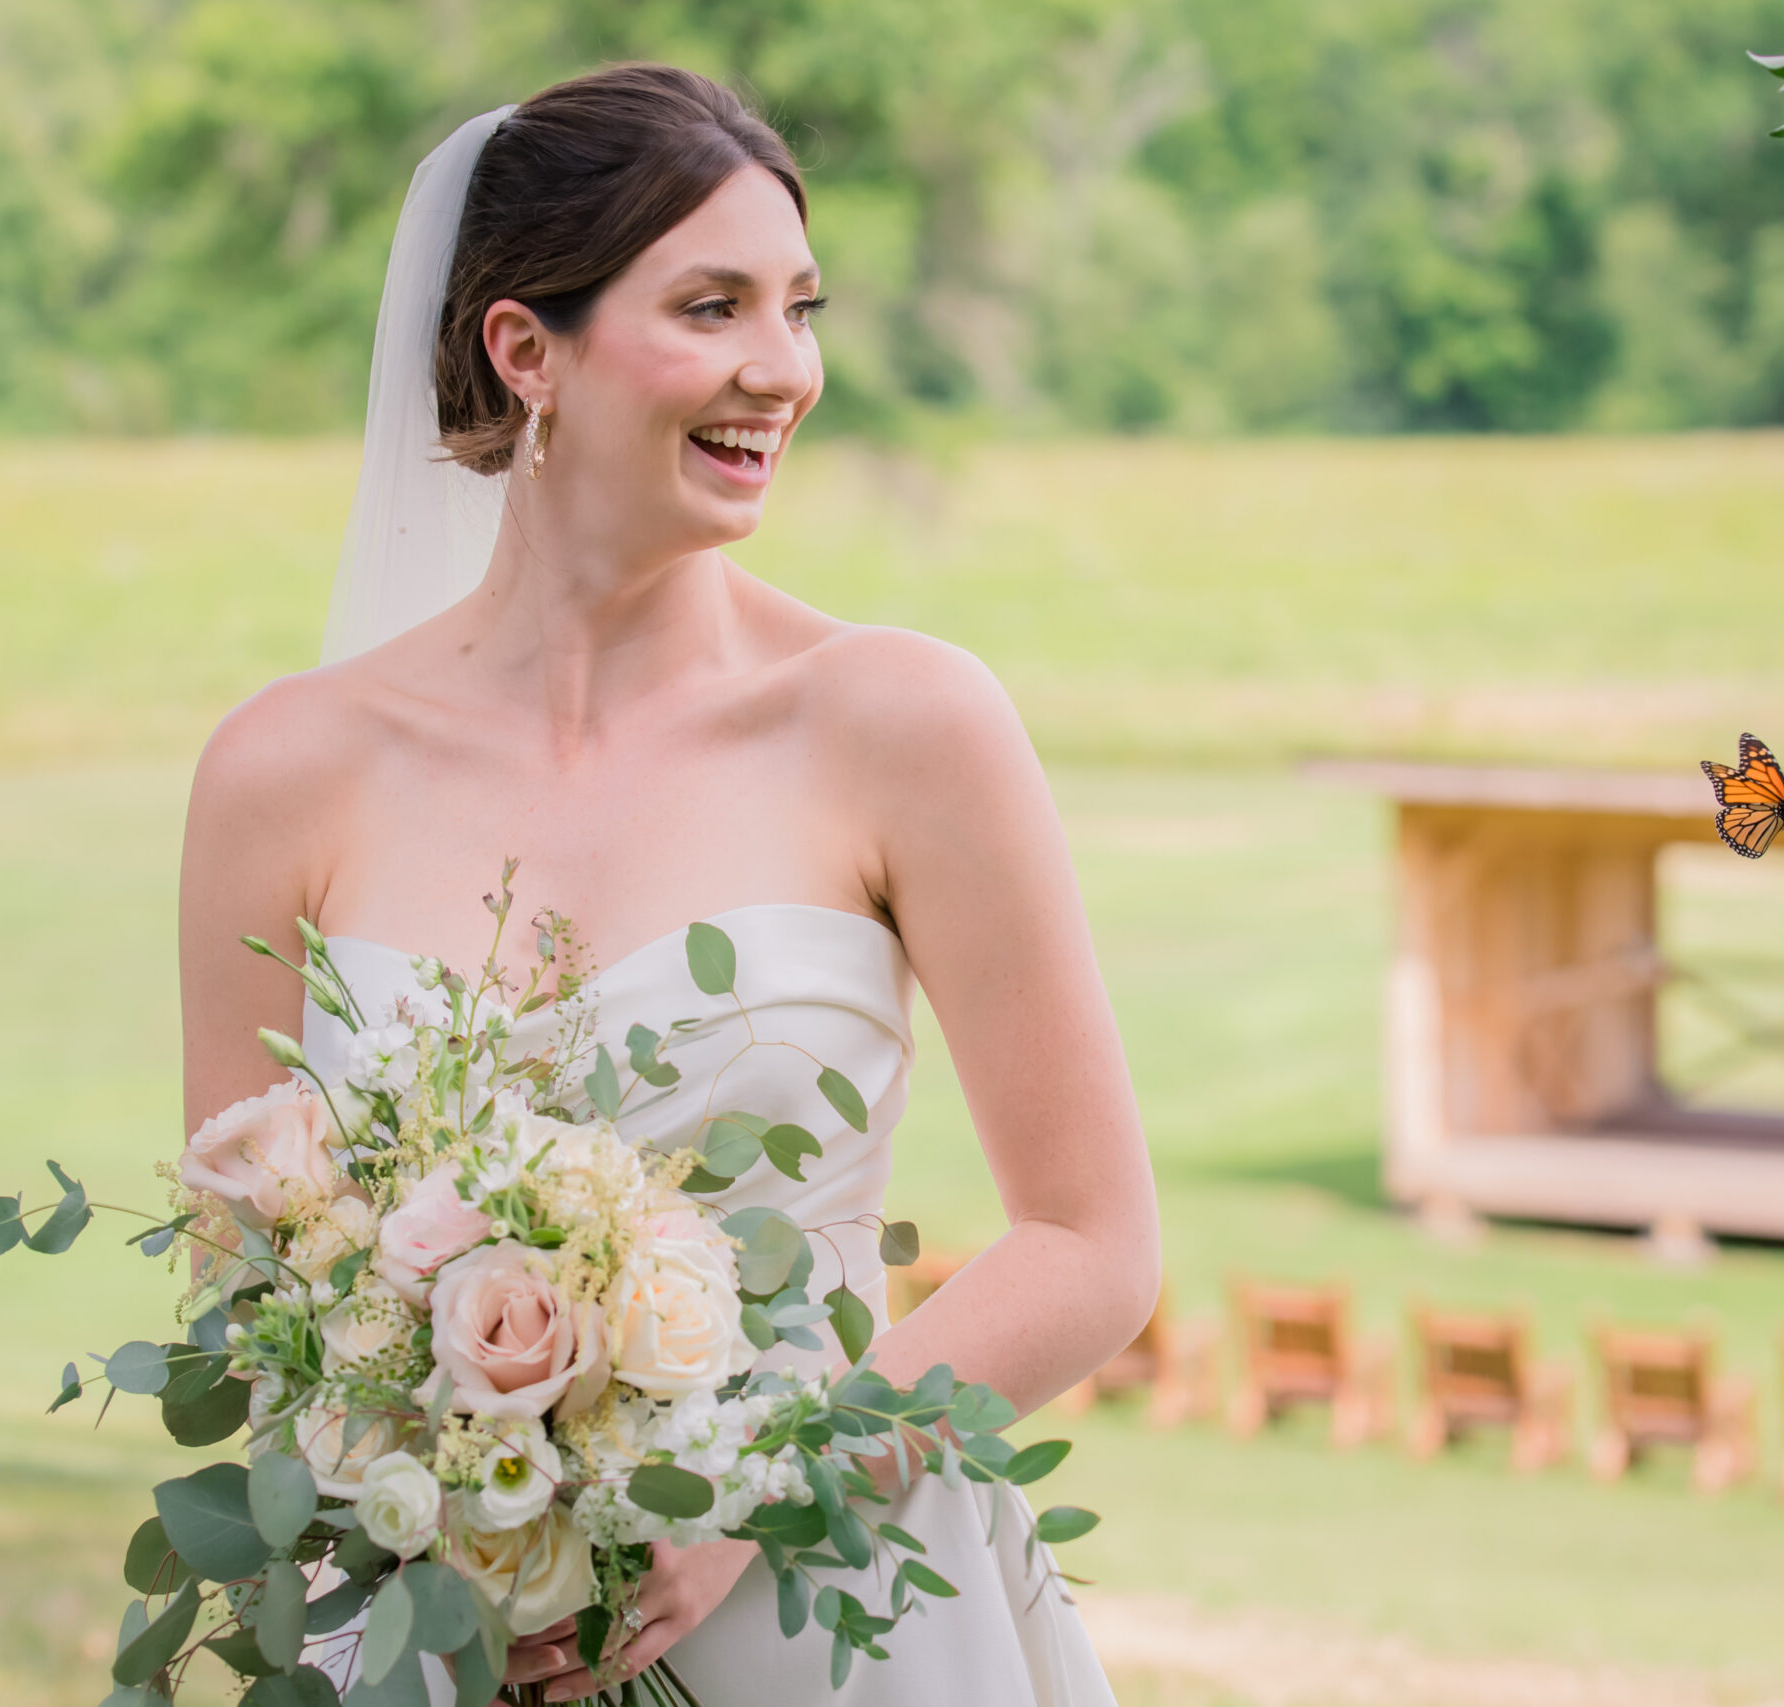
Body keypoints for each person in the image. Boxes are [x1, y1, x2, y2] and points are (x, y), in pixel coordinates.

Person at [176, 63, 1157, 1704]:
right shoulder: (284, 777)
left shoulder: (904, 725)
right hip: (448, 1636)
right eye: (712, 308)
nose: (783, 371)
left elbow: (1090, 1242)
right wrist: (437, 1514)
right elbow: (244, 1294)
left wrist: (752, 1487)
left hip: (839, 1609)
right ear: (524, 348)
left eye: (797, 308)